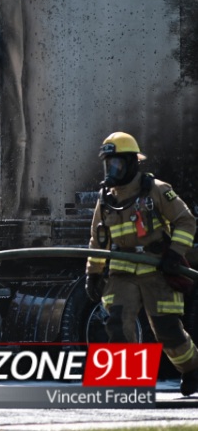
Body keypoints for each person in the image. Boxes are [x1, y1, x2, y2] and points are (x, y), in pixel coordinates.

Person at [85, 131, 198, 396]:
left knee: (168, 332)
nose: (111, 170)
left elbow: (186, 221)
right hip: (122, 273)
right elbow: (98, 241)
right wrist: (94, 273)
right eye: (108, 164)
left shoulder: (157, 191)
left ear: (132, 162)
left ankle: (193, 369)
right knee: (117, 324)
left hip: (157, 271)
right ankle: (126, 384)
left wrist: (174, 252)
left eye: (116, 163)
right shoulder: (105, 200)